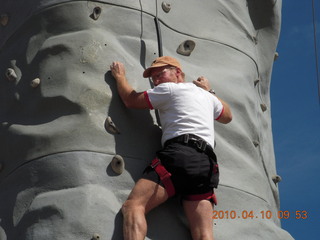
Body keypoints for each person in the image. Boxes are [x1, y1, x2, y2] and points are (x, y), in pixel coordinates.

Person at [110, 56, 232, 240]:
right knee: (203, 234)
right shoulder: (207, 96)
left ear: (178, 72)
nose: (157, 80)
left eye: (160, 74)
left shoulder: (168, 90)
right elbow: (227, 116)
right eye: (154, 78)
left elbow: (130, 100)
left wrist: (120, 77)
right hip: (205, 164)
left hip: (179, 155)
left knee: (134, 206)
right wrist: (209, 90)